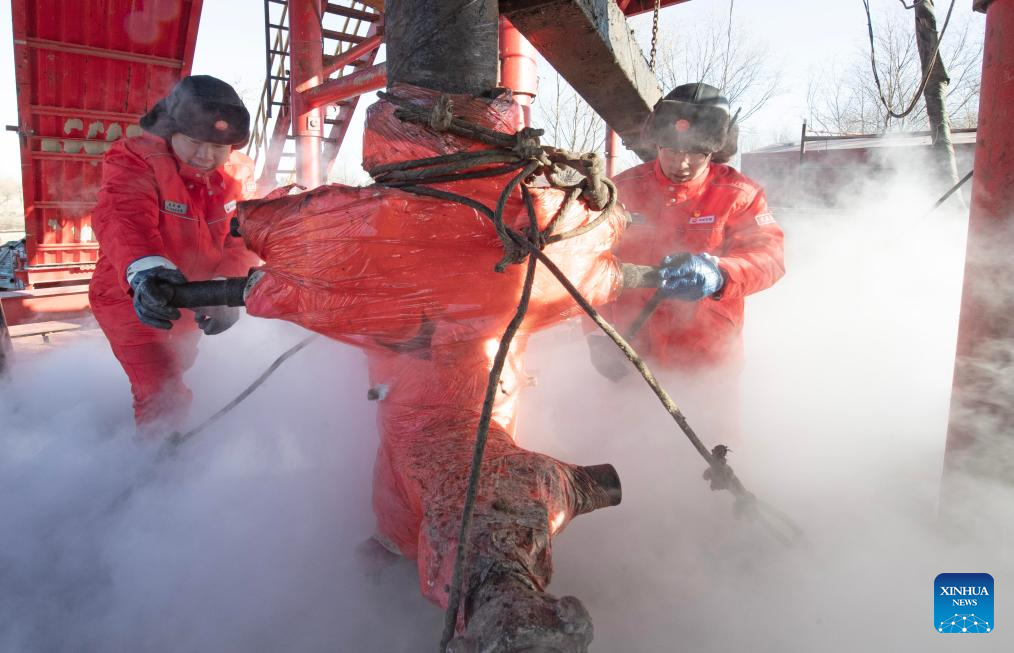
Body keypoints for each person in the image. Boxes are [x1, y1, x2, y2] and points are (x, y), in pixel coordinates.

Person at [589, 82, 785, 440]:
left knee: (712, 447)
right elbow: (589, 266)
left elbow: (769, 258)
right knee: (624, 443)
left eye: (696, 152)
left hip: (707, 360)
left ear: (716, 149)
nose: (681, 163)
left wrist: (720, 274)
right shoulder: (622, 191)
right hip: (631, 354)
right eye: (671, 149)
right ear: (656, 142)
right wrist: (595, 335)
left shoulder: (740, 196)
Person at [89, 75, 260, 429]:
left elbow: (243, 238)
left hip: (194, 298)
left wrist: (225, 290)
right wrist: (146, 270)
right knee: (161, 391)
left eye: (219, 146)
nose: (206, 156)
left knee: (177, 367)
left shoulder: (238, 173)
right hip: (133, 297)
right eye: (195, 142)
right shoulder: (135, 158)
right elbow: (123, 216)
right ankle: (159, 459)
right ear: (171, 130)